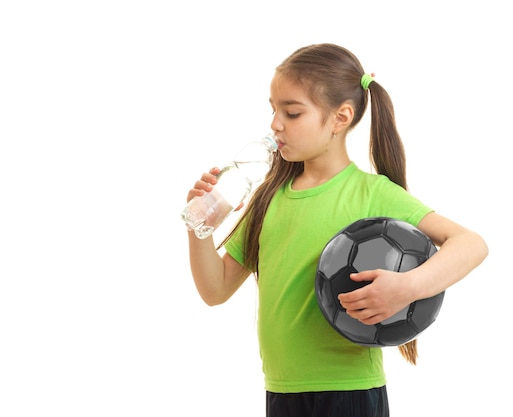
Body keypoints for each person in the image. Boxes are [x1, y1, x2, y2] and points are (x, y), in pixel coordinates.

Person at [186, 43, 488, 417]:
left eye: (292, 113)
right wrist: (201, 228)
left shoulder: (371, 193)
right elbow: (215, 290)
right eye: (273, 109)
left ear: (340, 118)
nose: (275, 124)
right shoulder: (267, 199)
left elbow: (471, 245)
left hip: (351, 393)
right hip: (282, 391)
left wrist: (406, 288)